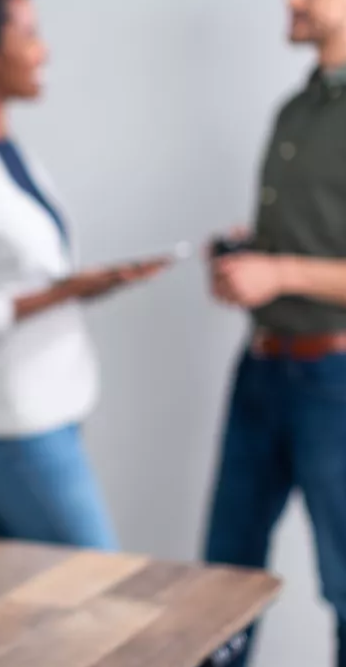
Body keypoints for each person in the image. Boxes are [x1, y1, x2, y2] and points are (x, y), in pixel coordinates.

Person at [0, 0, 169, 549]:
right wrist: (60, 294)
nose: (43, 50)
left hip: (51, 408)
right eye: (30, 35)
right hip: (8, 424)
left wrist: (81, 288)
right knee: (98, 579)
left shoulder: (0, 149)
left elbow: (20, 273)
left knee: (29, 605)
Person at [204, 1, 346, 665]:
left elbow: (296, 266)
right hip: (260, 371)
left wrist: (280, 270)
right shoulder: (296, 111)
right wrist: (247, 259)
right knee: (220, 586)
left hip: (333, 382)